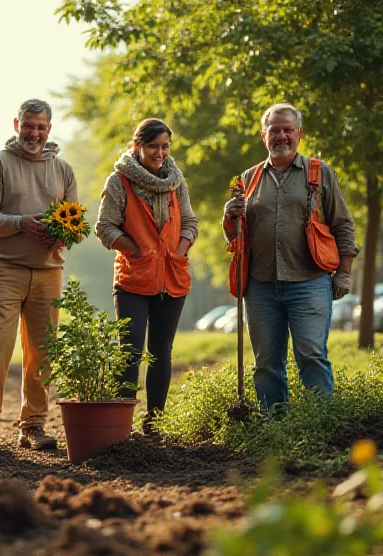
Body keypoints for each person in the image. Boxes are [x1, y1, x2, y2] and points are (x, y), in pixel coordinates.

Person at [223, 103, 357, 410]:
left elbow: (343, 225)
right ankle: (275, 429)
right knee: (267, 363)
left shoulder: (319, 172)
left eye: (288, 130)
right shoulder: (248, 178)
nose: (281, 136)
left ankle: (317, 426)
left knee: (311, 355)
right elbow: (236, 237)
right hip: (261, 285)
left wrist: (344, 272)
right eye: (274, 130)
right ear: (263, 135)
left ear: (299, 134)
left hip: (309, 282)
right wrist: (229, 218)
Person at [0, 98, 78, 451]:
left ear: (49, 129)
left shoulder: (64, 170)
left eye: (41, 127)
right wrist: (21, 224)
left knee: (43, 351)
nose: (34, 133)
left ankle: (33, 425)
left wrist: (59, 232)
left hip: (49, 272)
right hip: (5, 268)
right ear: (17, 125)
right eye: (28, 125)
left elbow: (75, 224)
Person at [95, 118, 199, 433]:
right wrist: (137, 249)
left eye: (165, 146)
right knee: (130, 351)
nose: (160, 153)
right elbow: (105, 227)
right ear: (137, 146)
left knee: (160, 352)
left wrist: (179, 251)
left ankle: (155, 423)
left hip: (172, 278)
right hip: (133, 280)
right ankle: (120, 425)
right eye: (153, 146)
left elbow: (190, 223)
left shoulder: (176, 182)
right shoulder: (119, 181)